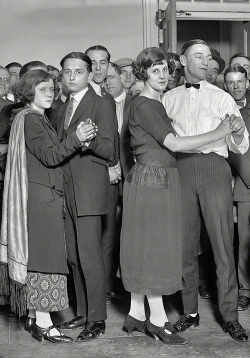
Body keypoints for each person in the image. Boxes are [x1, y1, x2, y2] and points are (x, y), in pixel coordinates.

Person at [120, 46, 233, 346]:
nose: (161, 75)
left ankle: (134, 311)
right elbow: (175, 143)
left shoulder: (150, 101)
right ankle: (156, 321)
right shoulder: (146, 104)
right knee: (155, 250)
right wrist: (218, 131)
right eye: (153, 70)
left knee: (145, 247)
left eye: (164, 69)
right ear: (143, 73)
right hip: (155, 179)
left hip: (155, 177)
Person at [162, 39, 249, 342]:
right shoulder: (167, 99)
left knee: (223, 243)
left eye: (208, 57)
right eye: (197, 56)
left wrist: (237, 134)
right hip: (181, 168)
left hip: (214, 168)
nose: (204, 61)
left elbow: (241, 145)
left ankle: (230, 315)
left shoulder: (223, 98)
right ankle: (190, 311)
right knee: (185, 243)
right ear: (183, 61)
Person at [0, 69, 96, 343]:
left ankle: (33, 316)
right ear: (29, 92)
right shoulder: (31, 120)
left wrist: (78, 140)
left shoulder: (32, 118)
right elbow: (51, 156)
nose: (50, 93)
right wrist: (76, 138)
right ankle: (43, 322)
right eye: (43, 89)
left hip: (42, 196)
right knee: (47, 259)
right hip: (42, 200)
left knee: (41, 257)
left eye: (52, 88)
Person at [56, 51, 116, 341]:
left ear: (90, 73)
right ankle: (82, 311)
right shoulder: (61, 105)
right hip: (65, 188)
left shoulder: (101, 103)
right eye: (67, 72)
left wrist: (87, 141)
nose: (71, 77)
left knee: (90, 255)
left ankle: (98, 319)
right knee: (73, 256)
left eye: (78, 72)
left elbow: (111, 150)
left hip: (89, 188)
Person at [86, 45, 121, 301]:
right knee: (92, 239)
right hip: (92, 175)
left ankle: (107, 288)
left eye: (103, 63)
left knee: (109, 236)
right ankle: (92, 295)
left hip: (111, 174)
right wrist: (108, 164)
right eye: (93, 63)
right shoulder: (82, 97)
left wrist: (115, 163)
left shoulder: (107, 97)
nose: (98, 69)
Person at [225, 66, 250, 311]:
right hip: (242, 185)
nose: (236, 86)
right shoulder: (223, 110)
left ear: (247, 83)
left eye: (240, 81)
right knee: (244, 241)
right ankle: (245, 289)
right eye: (231, 82)